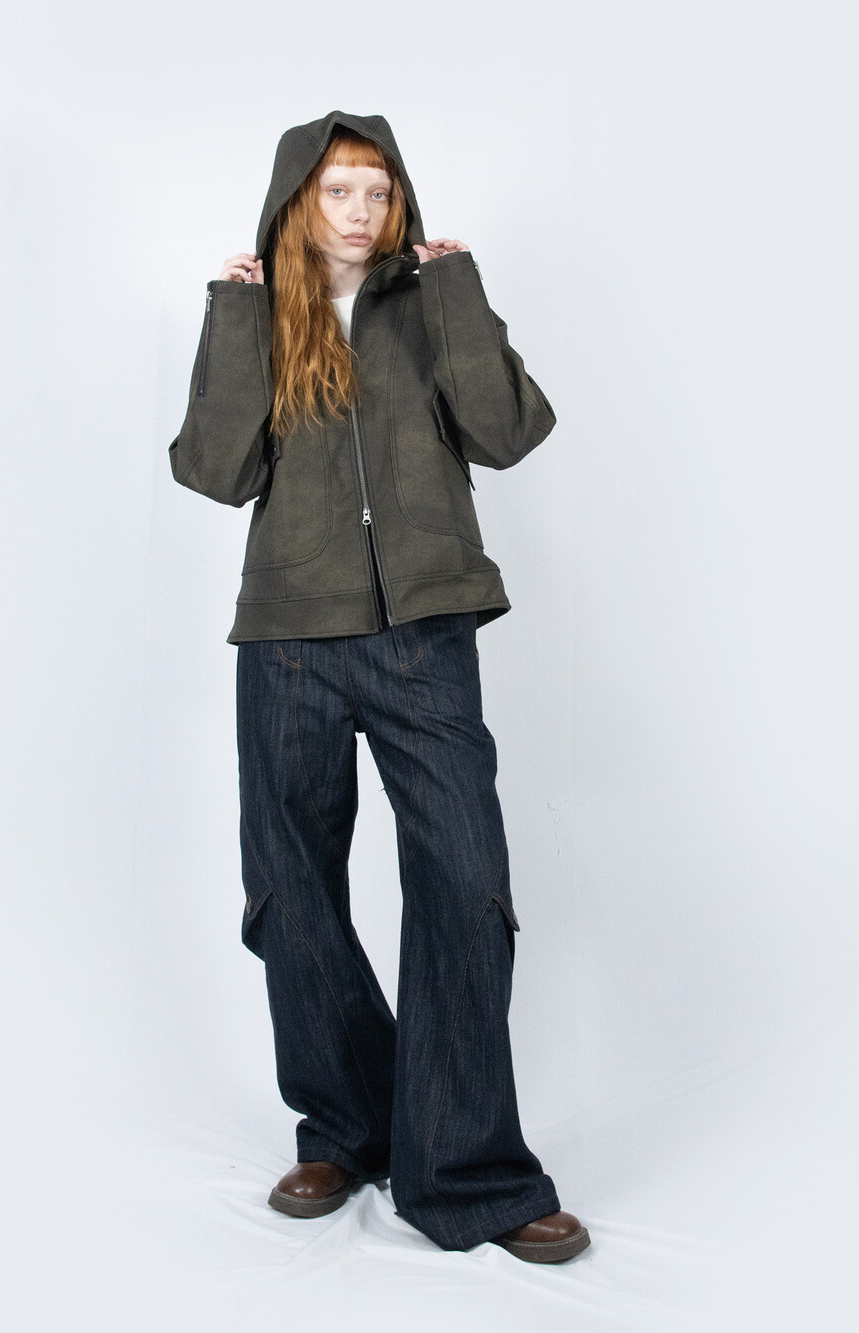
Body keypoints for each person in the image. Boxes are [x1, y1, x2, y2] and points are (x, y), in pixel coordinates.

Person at [168, 110, 590, 1263]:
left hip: (425, 634)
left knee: (464, 882)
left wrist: (460, 295)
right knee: (290, 894)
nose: (360, 210)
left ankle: (470, 1169)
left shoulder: (429, 301)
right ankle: (347, 1128)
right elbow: (214, 470)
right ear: (296, 201)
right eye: (337, 190)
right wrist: (235, 314)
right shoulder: (262, 310)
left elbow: (507, 432)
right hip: (288, 639)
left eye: (377, 189)